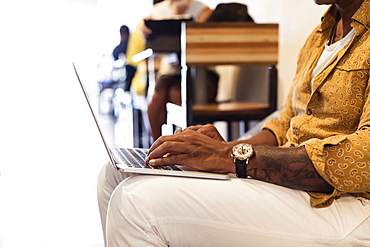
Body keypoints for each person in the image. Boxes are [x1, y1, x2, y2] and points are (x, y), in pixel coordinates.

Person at [97, 0, 370, 246]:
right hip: (296, 181)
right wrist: (226, 148)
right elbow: (285, 122)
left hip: (348, 201)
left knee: (134, 205)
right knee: (114, 174)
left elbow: (364, 156)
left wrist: (231, 157)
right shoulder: (322, 32)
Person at [144, 0, 215, 141]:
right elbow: (150, 41)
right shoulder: (157, 11)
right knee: (156, 96)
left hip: (200, 73)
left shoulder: (203, 11)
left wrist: (178, 13)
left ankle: (186, 145)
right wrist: (145, 31)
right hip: (170, 72)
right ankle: (156, 145)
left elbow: (199, 43)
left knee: (177, 93)